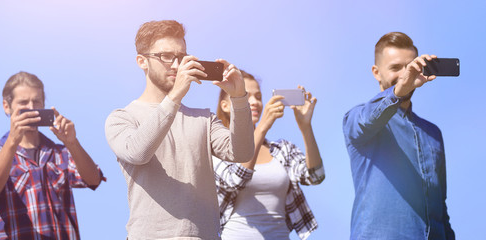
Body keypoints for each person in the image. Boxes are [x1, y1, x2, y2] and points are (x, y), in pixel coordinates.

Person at [104, 20, 255, 239]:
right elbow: (138, 153)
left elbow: (242, 153)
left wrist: (239, 98)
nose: (176, 65)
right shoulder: (121, 118)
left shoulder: (204, 118)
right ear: (142, 61)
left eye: (181, 57)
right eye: (166, 56)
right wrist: (175, 96)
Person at [342, 32, 455, 239]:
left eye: (410, 66)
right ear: (376, 73)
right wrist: (399, 91)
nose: (405, 74)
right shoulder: (357, 119)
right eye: (396, 68)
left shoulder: (433, 133)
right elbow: (367, 120)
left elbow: (440, 206)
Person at [0, 71, 105, 240]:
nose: (31, 108)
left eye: (36, 102)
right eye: (23, 102)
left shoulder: (61, 153)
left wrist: (72, 142)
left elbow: (93, 179)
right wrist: (13, 141)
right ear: (7, 106)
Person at [214, 71, 325, 240]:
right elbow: (237, 179)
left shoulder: (281, 149)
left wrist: (305, 127)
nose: (255, 102)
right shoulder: (219, 148)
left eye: (258, 96)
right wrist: (263, 126)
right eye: (245, 95)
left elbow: (316, 176)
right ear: (225, 106)